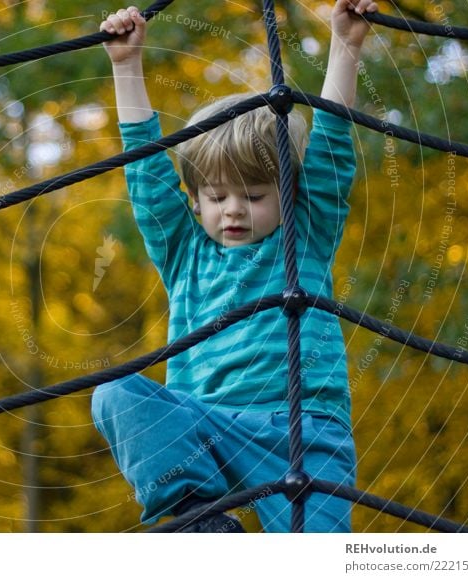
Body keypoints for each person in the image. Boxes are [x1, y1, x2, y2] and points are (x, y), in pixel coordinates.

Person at [91, 1, 378, 532]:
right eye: (218, 196)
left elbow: (332, 146)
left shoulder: (304, 235)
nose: (235, 210)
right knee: (116, 395)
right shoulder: (185, 253)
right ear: (195, 201)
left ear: (287, 195)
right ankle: (200, 518)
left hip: (303, 434)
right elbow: (146, 173)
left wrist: (346, 45)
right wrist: (126, 66)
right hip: (207, 431)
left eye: (253, 194)